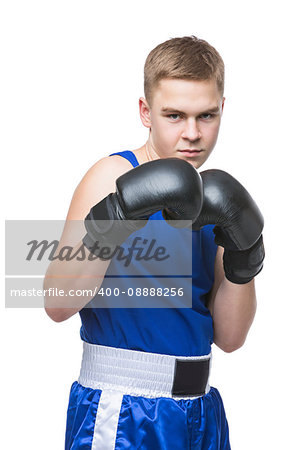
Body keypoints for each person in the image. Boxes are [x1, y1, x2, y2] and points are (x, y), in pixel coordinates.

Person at [44, 36, 264, 449]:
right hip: (123, 410)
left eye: (207, 116)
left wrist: (246, 252)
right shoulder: (111, 176)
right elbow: (56, 301)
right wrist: (115, 219)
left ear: (222, 110)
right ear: (146, 112)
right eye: (175, 115)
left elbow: (231, 338)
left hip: (199, 410)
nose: (193, 133)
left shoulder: (215, 198)